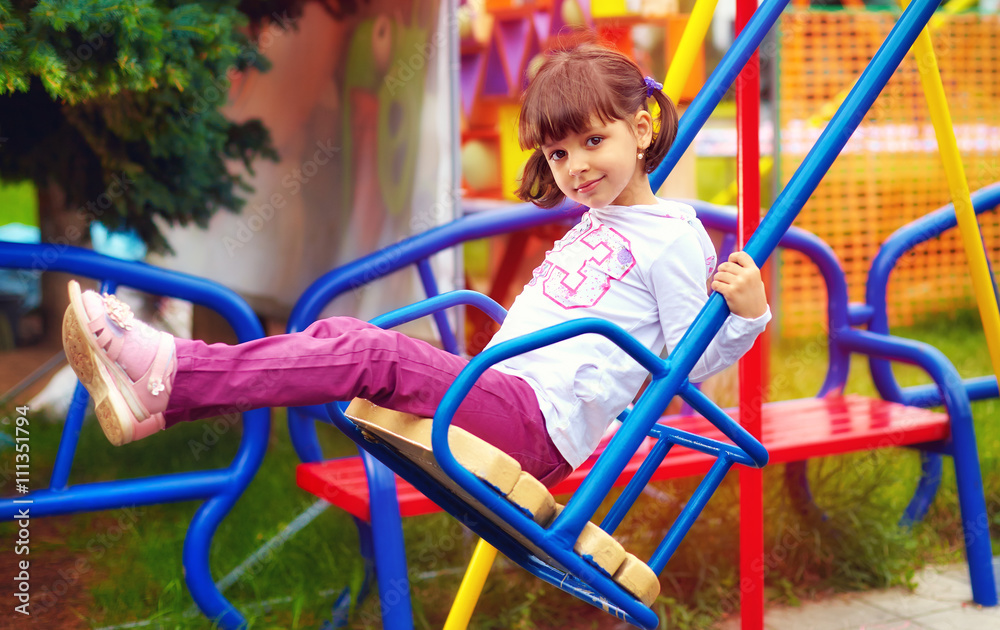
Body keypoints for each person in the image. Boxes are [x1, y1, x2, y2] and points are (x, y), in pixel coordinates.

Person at [62, 42, 770, 488]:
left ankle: (175, 372)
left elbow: (689, 361)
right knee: (348, 341)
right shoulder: (602, 220)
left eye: (592, 141)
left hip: (533, 428)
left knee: (371, 350)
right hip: (502, 396)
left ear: (641, 129)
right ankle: (168, 396)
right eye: (557, 155)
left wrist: (749, 313)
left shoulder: (672, 236)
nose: (575, 167)